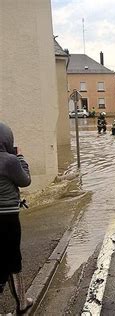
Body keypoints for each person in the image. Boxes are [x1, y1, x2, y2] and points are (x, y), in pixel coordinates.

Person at [0, 122, 33, 314]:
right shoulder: (9, 160)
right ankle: (21, 303)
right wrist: (19, 156)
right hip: (7, 217)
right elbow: (25, 180)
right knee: (13, 259)